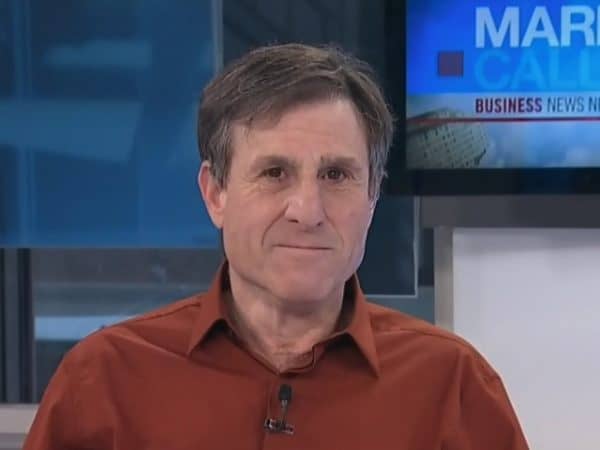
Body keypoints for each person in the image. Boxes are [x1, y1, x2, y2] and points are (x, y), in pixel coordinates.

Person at [23, 43, 529, 450]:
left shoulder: (452, 385)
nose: (307, 211)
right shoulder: (105, 380)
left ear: (373, 197)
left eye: (336, 175)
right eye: (274, 173)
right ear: (215, 194)